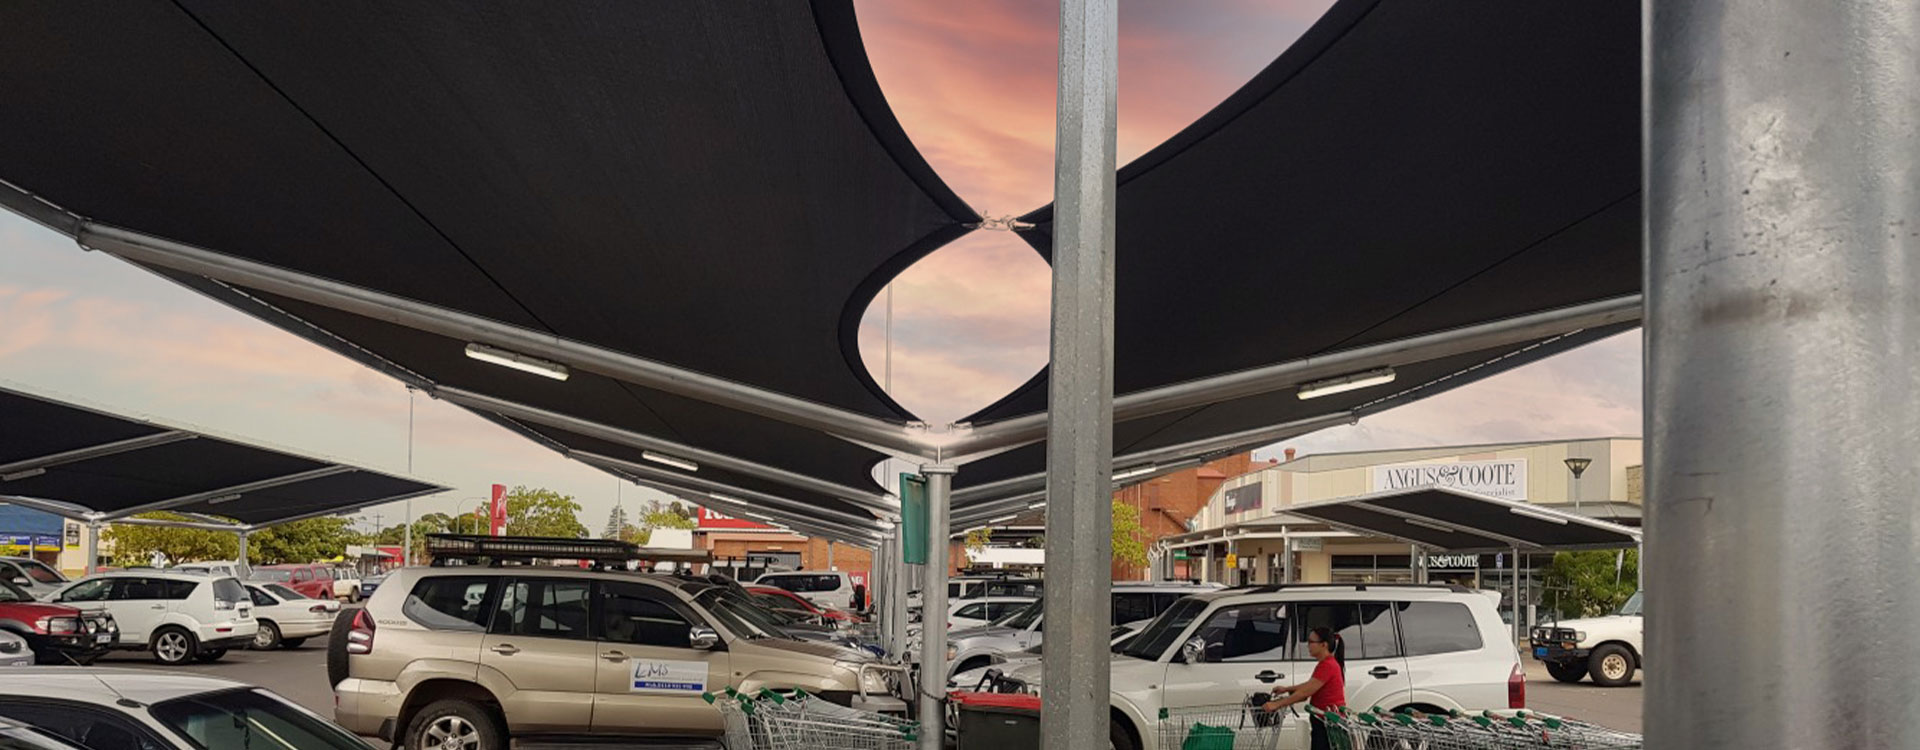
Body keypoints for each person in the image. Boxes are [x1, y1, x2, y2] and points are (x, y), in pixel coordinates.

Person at [1263, 626, 1347, 750]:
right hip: (1324, 720)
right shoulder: (1327, 664)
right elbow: (1310, 685)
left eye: (1311, 642)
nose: (1308, 645)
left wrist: (1277, 704)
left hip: (1328, 722)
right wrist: (1287, 689)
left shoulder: (1327, 665)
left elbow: (1304, 693)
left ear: (1324, 645)